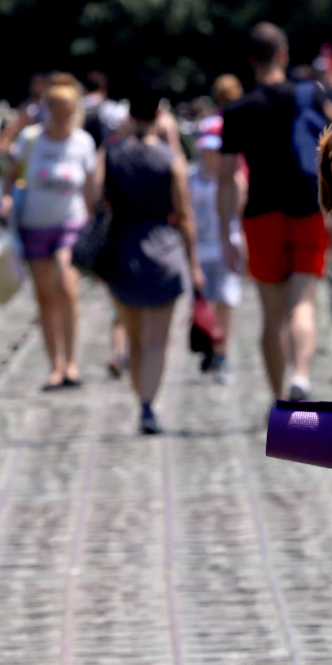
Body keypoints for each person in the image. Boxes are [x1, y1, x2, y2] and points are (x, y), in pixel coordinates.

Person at [217, 22, 332, 401]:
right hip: (308, 206)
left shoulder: (237, 110)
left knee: (272, 314)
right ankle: (302, 375)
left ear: (250, 60)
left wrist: (226, 232)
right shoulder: (309, 93)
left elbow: (226, 179)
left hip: (260, 213)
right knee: (303, 302)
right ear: (284, 54)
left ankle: (279, 402)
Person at [87, 85, 201, 434]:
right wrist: (194, 265)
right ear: (158, 115)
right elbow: (184, 215)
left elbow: (92, 197)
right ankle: (148, 406)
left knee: (133, 338)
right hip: (164, 252)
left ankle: (142, 398)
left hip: (122, 251)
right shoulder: (172, 160)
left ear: (129, 115)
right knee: (157, 340)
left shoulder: (112, 154)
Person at [1, 75, 94, 389]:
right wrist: (4, 201)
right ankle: (55, 365)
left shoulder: (82, 142)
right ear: (47, 108)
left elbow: (92, 186)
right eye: (56, 108)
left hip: (71, 222)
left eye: (68, 109)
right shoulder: (30, 139)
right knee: (45, 297)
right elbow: (11, 177)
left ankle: (72, 363)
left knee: (67, 285)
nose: (62, 115)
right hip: (34, 223)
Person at [188, 114, 242, 382]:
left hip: (226, 249)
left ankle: (222, 352)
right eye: (207, 148)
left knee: (225, 302)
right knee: (202, 307)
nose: (211, 154)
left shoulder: (236, 181)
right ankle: (209, 346)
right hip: (198, 251)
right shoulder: (190, 179)